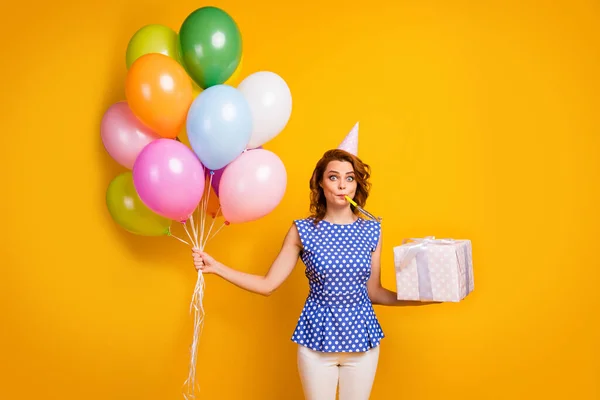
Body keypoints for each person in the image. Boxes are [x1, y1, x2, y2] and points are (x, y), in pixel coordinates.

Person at [193, 149, 426, 400]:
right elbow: (267, 284)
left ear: (357, 185)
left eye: (349, 178)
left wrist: (425, 298)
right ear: (321, 183)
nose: (342, 185)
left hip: (363, 344)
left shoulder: (372, 229)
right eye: (333, 177)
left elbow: (374, 292)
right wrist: (216, 267)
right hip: (316, 344)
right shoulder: (302, 230)